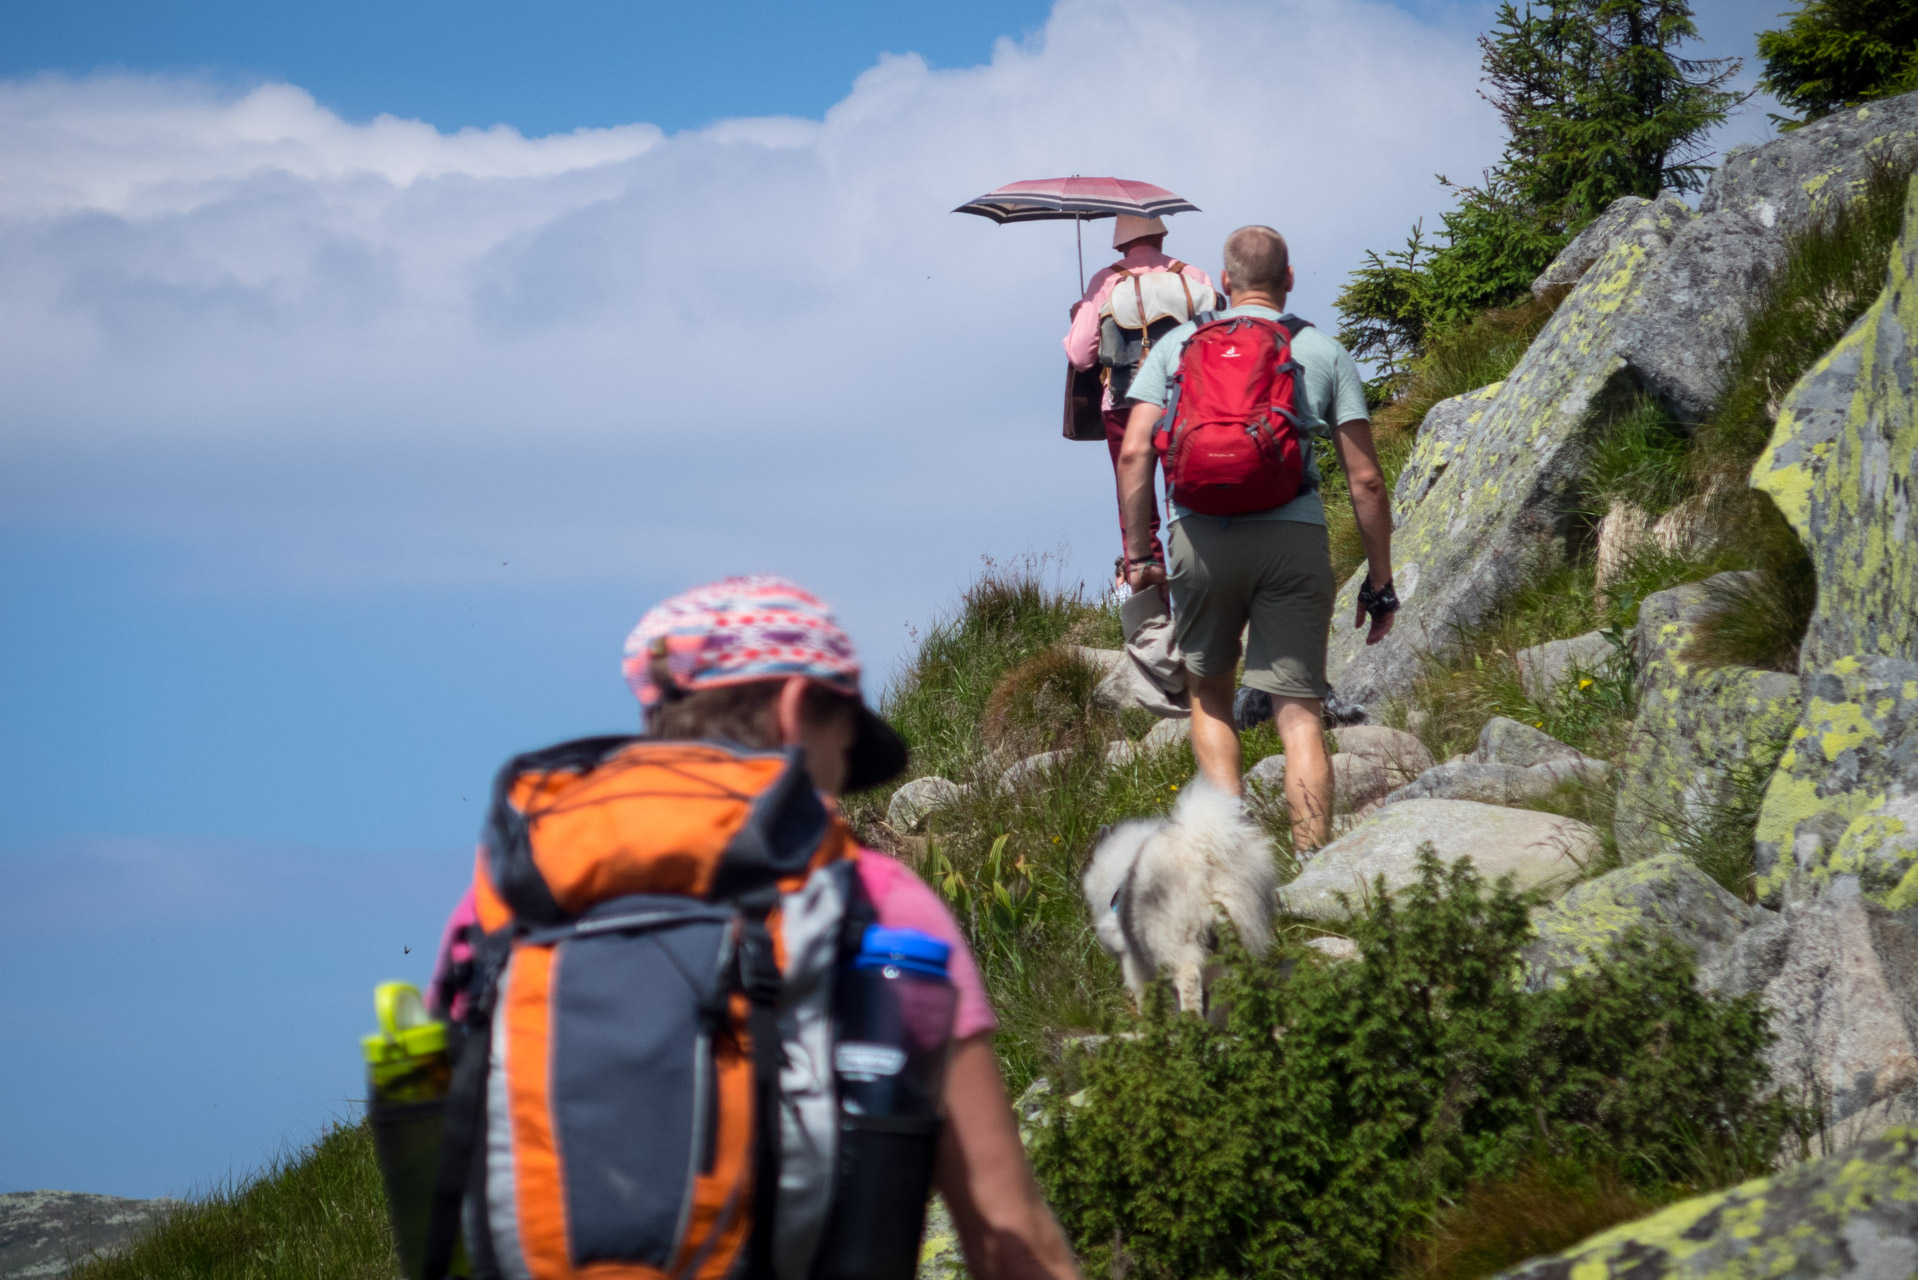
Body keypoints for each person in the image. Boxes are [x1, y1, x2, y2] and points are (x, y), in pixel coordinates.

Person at [428, 576, 1081, 1280]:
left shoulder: (509, 905)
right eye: (844, 748)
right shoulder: (875, 899)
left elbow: (448, 1176)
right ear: (798, 708)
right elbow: (1008, 1237)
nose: (839, 788)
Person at [1114, 226, 1397, 850]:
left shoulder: (1177, 346)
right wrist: (1380, 581)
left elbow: (1134, 452)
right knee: (1299, 716)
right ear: (1288, 279)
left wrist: (1139, 555)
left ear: (1222, 284)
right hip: (1292, 536)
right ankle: (1311, 862)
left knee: (1209, 696)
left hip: (1198, 540)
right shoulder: (1321, 350)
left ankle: (1232, 853)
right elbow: (1368, 481)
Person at [1065, 215, 1218, 570]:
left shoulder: (1106, 280)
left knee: (1136, 514)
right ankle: (1197, 595)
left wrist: (1079, 315)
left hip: (1124, 405)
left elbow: (1080, 356)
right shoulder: (1194, 276)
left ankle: (1152, 609)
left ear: (1120, 244)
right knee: (1185, 504)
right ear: (1162, 237)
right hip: (1185, 405)